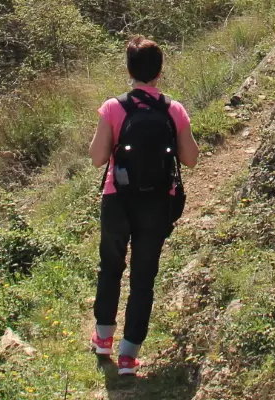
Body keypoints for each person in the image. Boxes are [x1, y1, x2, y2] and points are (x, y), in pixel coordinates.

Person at [88, 35, 199, 377]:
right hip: (157, 203)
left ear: (129, 69)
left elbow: (96, 159)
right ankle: (128, 356)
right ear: (159, 72)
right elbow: (191, 159)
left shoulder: (114, 107)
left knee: (111, 266)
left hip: (116, 199)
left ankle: (103, 338)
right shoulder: (173, 109)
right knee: (143, 277)